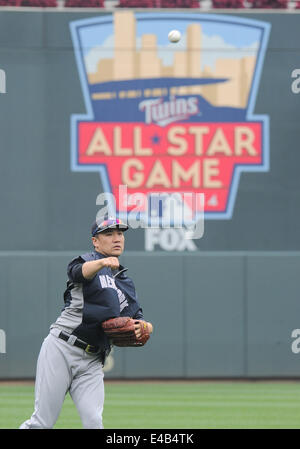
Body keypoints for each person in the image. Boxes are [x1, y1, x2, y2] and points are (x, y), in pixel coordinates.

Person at [20, 217, 153, 429]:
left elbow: (138, 317)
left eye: (120, 234)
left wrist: (146, 327)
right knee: (42, 423)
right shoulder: (87, 261)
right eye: (109, 234)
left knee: (94, 422)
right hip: (62, 348)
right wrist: (101, 262)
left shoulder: (124, 281)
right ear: (96, 241)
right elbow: (76, 272)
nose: (116, 238)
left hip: (93, 360)